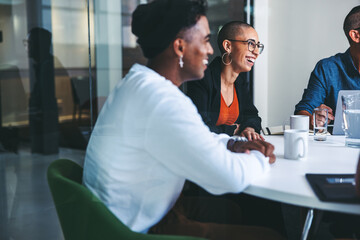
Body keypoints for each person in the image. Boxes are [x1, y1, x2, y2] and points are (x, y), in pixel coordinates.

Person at [83, 0, 283, 239]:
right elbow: (228, 177)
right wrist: (263, 157)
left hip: (126, 210)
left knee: (238, 209)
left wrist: (231, 143)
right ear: (179, 47)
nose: (210, 50)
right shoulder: (163, 100)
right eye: (206, 40)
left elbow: (196, 135)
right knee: (270, 234)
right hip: (138, 227)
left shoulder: (138, 82)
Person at [186, 21, 264, 141]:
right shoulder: (202, 78)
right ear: (228, 46)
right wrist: (232, 129)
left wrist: (249, 128)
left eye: (258, 46)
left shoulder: (240, 81)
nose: (256, 52)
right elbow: (199, 127)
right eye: (250, 44)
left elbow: (252, 116)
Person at [295, 5, 360, 128]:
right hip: (338, 145)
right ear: (356, 35)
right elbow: (303, 112)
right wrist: (313, 119)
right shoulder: (327, 69)